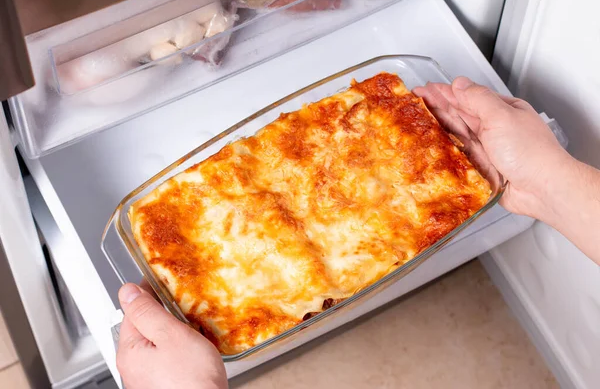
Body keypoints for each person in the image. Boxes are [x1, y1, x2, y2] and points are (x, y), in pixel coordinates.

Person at [115, 77, 600, 389]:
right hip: (208, 270)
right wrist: (552, 183)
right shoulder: (159, 222)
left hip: (426, 181)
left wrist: (549, 181)